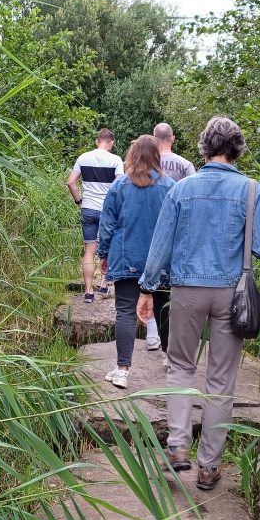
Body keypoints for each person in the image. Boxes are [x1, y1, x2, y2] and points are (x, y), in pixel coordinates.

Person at [137, 116, 260, 491]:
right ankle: (209, 467)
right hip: (231, 293)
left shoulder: (182, 190)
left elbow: (161, 244)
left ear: (204, 146)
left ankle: (178, 447)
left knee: (181, 368)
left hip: (186, 290)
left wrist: (147, 289)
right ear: (237, 147)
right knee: (220, 382)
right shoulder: (252, 190)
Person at [96, 135, 175, 389]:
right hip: (161, 262)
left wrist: (103, 255)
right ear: (156, 156)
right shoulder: (170, 187)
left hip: (126, 257)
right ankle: (172, 361)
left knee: (126, 312)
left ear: (133, 156)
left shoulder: (120, 186)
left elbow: (107, 225)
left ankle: (122, 370)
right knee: (164, 310)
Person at [145, 122, 197, 351]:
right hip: (178, 234)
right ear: (172, 138)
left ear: (155, 139)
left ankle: (152, 334)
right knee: (170, 287)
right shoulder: (185, 165)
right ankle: (172, 340)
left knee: (149, 281)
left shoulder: (146, 165)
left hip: (150, 230)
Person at [67, 129, 124, 302]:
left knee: (89, 250)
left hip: (88, 208)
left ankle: (88, 292)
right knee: (106, 249)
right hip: (108, 211)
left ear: (96, 141)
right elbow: (120, 185)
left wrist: (79, 201)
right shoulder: (115, 160)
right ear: (112, 142)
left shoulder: (83, 158)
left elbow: (70, 182)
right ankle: (104, 285)